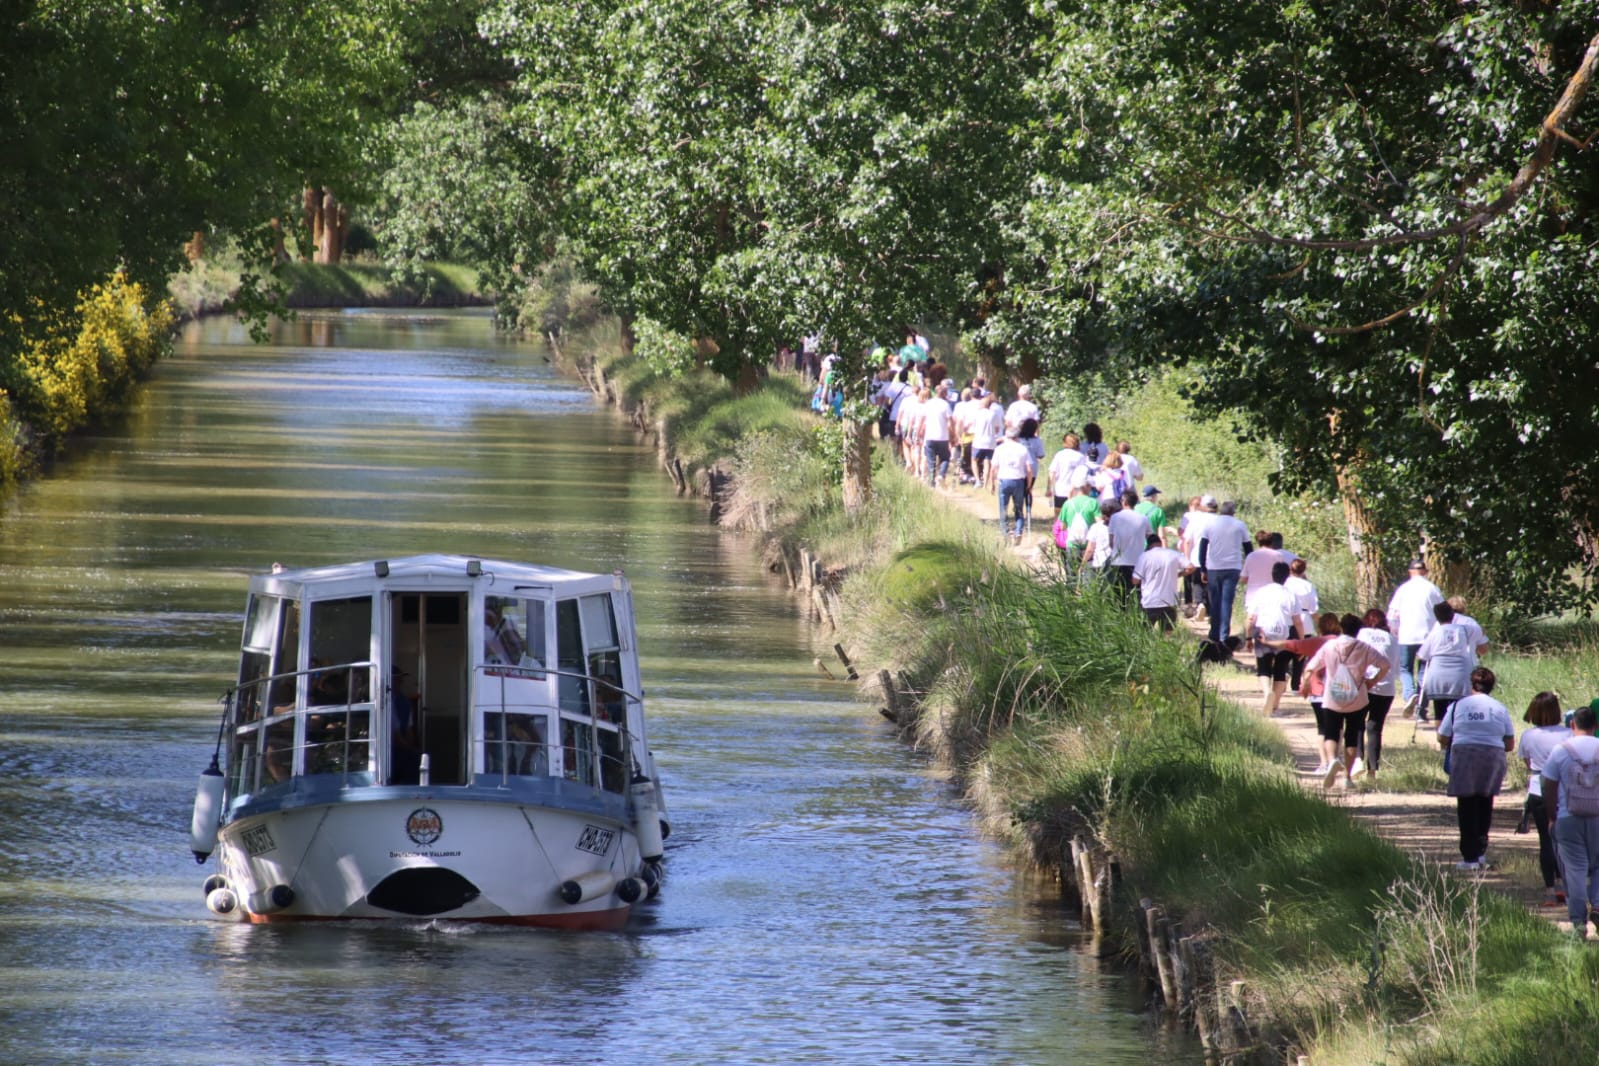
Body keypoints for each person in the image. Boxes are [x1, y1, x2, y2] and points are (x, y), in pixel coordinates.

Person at [1437, 666, 1515, 871]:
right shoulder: (1500, 707)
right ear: (1492, 686)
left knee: (1466, 805)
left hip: (1465, 754)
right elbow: (1509, 744)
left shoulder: (1457, 706)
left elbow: (1443, 736)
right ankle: (1480, 853)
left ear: (1472, 684)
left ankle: (1469, 856)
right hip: (1492, 756)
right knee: (1485, 802)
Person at [1302, 613, 1391, 788]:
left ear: (1341, 627)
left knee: (1331, 733)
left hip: (1332, 697)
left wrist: (1305, 683)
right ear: (1358, 631)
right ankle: (1347, 778)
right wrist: (1373, 681)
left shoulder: (1330, 646)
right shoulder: (1364, 648)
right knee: (1352, 736)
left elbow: (1311, 667)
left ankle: (1332, 760)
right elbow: (1385, 664)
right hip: (1357, 698)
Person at [1541, 702, 1599, 939]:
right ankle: (1597, 904)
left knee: (1574, 871)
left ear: (1572, 724)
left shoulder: (1561, 750)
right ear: (1595, 726)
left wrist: (1552, 815)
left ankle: (1577, 923)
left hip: (1568, 817)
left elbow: (1548, 785)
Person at [1518, 692, 1572, 907]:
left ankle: (1550, 890)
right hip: (1564, 790)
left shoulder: (1528, 736)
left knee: (1545, 840)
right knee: (1564, 841)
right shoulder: (1568, 734)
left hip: (1538, 790)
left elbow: (1528, 764)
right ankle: (1563, 885)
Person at [1386, 558, 1444, 714]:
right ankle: (1421, 708)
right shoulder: (1433, 589)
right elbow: (1443, 613)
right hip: (1428, 637)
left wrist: (1395, 630)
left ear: (1410, 572)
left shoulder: (1403, 589)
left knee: (1405, 668)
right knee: (1424, 672)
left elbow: (1392, 615)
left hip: (1407, 636)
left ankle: (1410, 694)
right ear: (1425, 572)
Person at [1245, 561, 1300, 716]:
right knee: (1281, 669)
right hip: (1284, 634)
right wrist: (1301, 641)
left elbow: (1250, 618)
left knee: (1263, 666)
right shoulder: (1290, 595)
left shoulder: (1261, 592)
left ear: (1272, 575)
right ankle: (1275, 705)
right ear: (1287, 576)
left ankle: (1267, 692)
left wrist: (1248, 637)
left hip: (1263, 631)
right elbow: (1297, 621)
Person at [1354, 608, 1401, 781]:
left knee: (1357, 722)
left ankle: (1357, 759)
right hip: (1386, 689)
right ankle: (1372, 771)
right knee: (1375, 727)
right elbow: (1395, 669)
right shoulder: (1392, 640)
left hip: (1364, 685)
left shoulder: (1362, 634)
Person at [1416, 601, 1478, 725]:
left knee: (1440, 710)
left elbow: (1422, 655)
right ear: (1452, 614)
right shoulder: (1466, 630)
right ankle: (1455, 739)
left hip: (1438, 675)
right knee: (1458, 710)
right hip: (1460, 675)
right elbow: (1481, 633)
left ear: (1437, 617)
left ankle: (1443, 741)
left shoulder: (1435, 633)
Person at [1198, 500, 1251, 646]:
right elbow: (1248, 549)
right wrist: (1248, 568)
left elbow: (1202, 547)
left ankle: (1214, 633)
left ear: (1221, 511)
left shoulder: (1210, 524)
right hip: (1233, 567)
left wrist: (1202, 568)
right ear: (1233, 512)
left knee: (1215, 601)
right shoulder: (1240, 525)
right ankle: (1223, 635)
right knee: (1227, 602)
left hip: (1214, 567)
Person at [990, 426, 1035, 544]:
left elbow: (993, 468)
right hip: (1018, 481)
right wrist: (1029, 485)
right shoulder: (1023, 449)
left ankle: (1005, 532)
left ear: (1007, 436)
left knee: (1003, 508)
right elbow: (1029, 469)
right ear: (1017, 437)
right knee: (1019, 509)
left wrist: (992, 483)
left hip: (1004, 480)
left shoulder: (999, 449)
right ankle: (1018, 531)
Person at [1132, 531, 1185, 629]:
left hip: (1150, 601)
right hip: (1170, 601)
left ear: (1149, 545)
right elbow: (1191, 567)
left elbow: (1135, 580)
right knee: (1167, 633)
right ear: (1160, 543)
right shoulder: (1173, 554)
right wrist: (1179, 574)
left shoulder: (1144, 557)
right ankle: (1165, 644)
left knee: (1146, 631)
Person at [1107, 488, 1154, 601]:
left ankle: (1121, 617)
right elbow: (1151, 538)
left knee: (1119, 596)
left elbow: (1111, 541)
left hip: (1118, 561)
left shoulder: (1115, 518)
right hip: (1137, 562)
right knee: (1137, 595)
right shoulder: (1143, 519)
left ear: (1124, 501)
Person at [1047, 432, 1088, 509]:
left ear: (1065, 443)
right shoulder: (1081, 457)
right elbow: (1083, 475)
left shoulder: (1059, 455)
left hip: (1060, 490)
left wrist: (1049, 488)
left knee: (1058, 515)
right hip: (1076, 491)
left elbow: (1052, 472)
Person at [971, 393, 1002, 487]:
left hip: (978, 441)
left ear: (983, 404)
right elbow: (997, 429)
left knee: (974, 460)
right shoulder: (993, 415)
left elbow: (973, 426)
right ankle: (985, 484)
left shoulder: (977, 413)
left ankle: (977, 480)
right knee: (987, 462)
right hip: (990, 441)